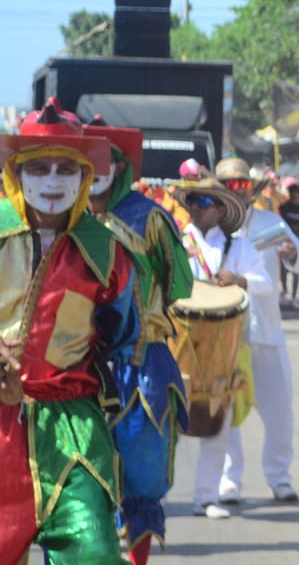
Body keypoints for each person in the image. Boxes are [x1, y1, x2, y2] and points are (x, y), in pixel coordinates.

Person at [0, 102, 137, 564]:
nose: (54, 181)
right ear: (17, 174)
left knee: (95, 551)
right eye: (39, 168)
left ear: (85, 177)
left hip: (72, 426)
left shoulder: (107, 253)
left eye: (67, 168)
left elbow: (123, 335)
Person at [85, 119, 193, 565]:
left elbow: (180, 282)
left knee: (139, 471)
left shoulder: (148, 216)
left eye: (101, 160)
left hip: (141, 363)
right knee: (83, 473)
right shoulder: (63, 220)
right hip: (76, 362)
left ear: (119, 164)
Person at [212, 158, 299, 506]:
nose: (237, 191)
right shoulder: (213, 229)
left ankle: (279, 477)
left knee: (279, 411)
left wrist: (293, 253)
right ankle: (228, 479)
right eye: (228, 186)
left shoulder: (271, 222)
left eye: (242, 185)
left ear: (251, 188)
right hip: (226, 334)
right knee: (228, 410)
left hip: (266, 331)